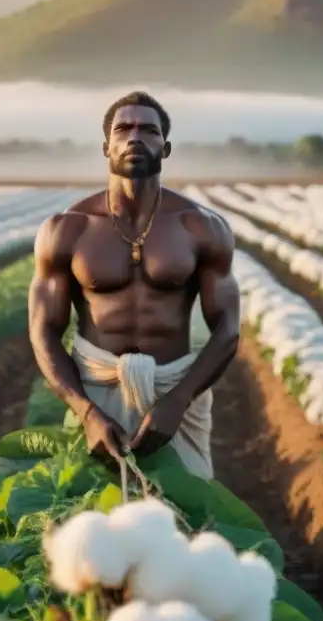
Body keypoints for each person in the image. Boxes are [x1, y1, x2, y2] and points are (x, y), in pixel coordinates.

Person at [27, 90, 240, 479]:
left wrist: (178, 400)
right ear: (106, 147)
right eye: (123, 128)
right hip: (96, 388)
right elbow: (43, 330)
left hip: (173, 386)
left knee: (189, 513)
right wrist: (86, 411)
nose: (135, 137)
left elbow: (227, 329)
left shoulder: (201, 227)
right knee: (92, 511)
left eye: (149, 130)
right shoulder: (67, 229)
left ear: (166, 147)